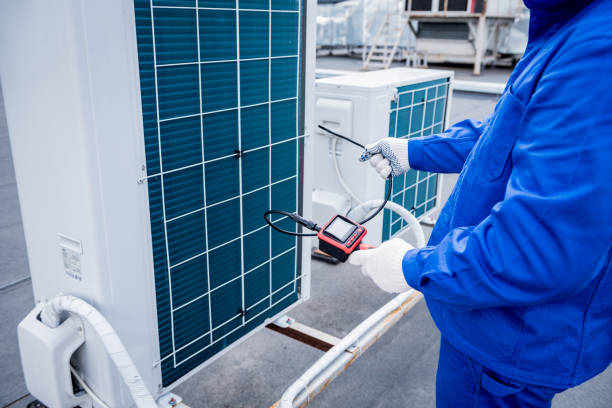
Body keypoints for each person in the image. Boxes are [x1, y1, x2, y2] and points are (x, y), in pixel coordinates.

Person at [349, 0, 612, 406]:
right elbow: (508, 131)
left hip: (509, 341)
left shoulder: (596, 50)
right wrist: (414, 150)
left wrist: (410, 267)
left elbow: (537, 249)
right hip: (497, 323)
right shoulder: (567, 29)